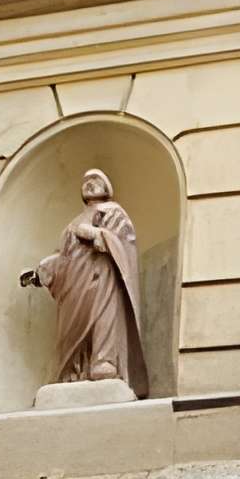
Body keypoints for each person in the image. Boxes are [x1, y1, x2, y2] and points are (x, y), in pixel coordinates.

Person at [21, 168, 149, 395]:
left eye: (95, 180)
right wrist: (40, 272)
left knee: (104, 315)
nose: (89, 184)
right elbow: (64, 258)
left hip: (102, 277)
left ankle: (103, 360)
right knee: (73, 326)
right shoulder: (72, 224)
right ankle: (74, 370)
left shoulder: (113, 212)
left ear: (107, 188)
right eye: (86, 181)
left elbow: (125, 243)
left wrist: (95, 234)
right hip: (74, 285)